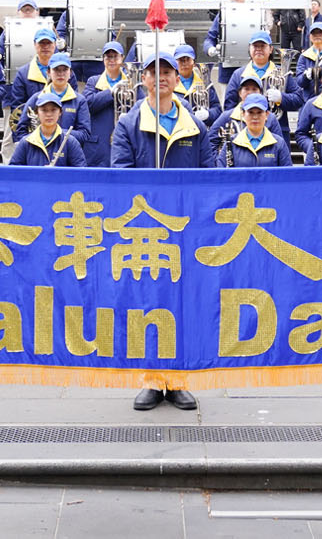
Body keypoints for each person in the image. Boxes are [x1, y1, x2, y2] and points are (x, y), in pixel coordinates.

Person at [109, 50, 203, 413]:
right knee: (147, 304)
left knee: (181, 303)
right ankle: (151, 379)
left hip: (183, 227)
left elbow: (208, 175)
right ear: (143, 79)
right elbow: (120, 174)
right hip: (145, 231)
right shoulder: (128, 123)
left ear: (178, 78)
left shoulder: (194, 124)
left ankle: (178, 379)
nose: (160, 77)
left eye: (167, 71)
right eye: (153, 71)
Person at [12, 52, 90, 147]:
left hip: (68, 151)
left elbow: (84, 134)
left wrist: (56, 132)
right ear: (48, 72)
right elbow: (21, 130)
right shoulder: (36, 98)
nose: (61, 74)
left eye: (65, 70)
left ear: (70, 73)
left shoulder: (79, 101)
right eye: (56, 70)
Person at [8, 89, 88, 166]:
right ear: (37, 113)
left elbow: (81, 172)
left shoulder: (70, 142)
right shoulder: (25, 142)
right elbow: (13, 171)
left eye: (53, 110)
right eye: (44, 110)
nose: (49, 114)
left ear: (60, 112)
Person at [80, 41, 129, 167]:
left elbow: (139, 109)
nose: (111, 60)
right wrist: (111, 92)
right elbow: (88, 105)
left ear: (122, 58)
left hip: (124, 142)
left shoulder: (130, 82)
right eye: (108, 57)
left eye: (115, 56)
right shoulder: (93, 81)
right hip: (97, 147)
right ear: (103, 59)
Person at [218, 94, 292, 167]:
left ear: (267, 115)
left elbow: (287, 173)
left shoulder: (279, 144)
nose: (255, 117)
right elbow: (221, 172)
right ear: (243, 114)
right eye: (250, 112)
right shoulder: (231, 143)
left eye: (259, 112)